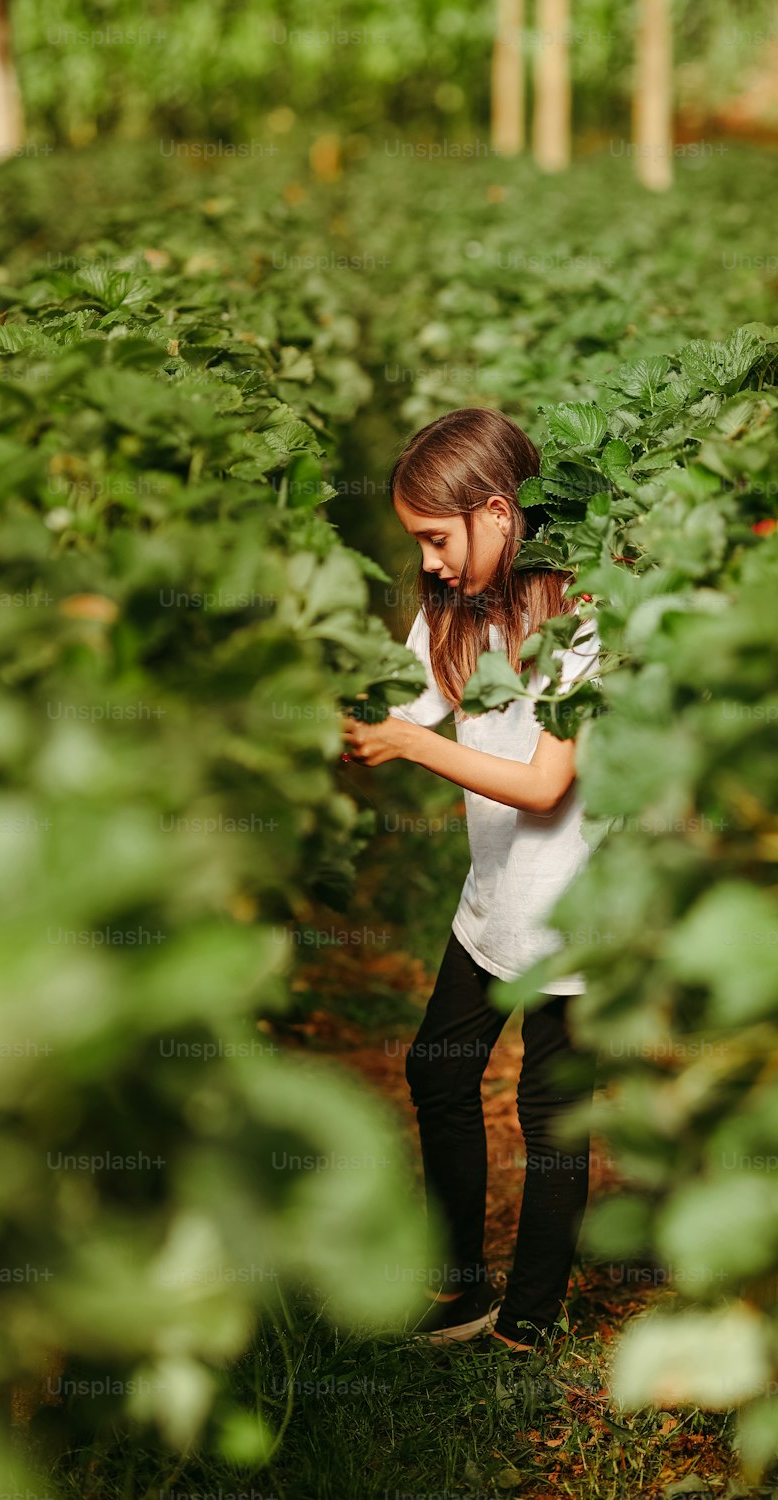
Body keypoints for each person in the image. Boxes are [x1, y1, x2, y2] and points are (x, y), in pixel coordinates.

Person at [340, 407, 601, 1358]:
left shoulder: (585, 617)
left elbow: (544, 784)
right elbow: (394, 701)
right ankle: (461, 1287)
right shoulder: (454, 605)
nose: (432, 562)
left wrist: (410, 742)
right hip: (493, 904)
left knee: (549, 1113)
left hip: (573, 915)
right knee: (437, 1071)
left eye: (436, 539)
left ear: (498, 512)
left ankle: (529, 1319)